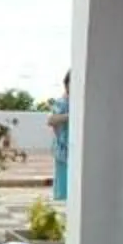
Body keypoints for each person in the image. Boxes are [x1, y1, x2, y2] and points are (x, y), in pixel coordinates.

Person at [47, 73, 71, 202]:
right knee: (63, 186)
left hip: (76, 148)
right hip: (63, 149)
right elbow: (51, 120)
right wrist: (69, 116)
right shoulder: (61, 102)